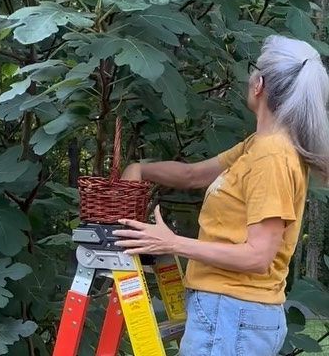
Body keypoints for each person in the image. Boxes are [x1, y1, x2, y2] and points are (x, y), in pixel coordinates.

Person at [112, 35, 329, 356]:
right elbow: (194, 174)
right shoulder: (258, 145)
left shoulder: (271, 156)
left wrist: (171, 243)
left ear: (260, 84)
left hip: (233, 315)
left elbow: (258, 257)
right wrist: (141, 168)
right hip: (230, 314)